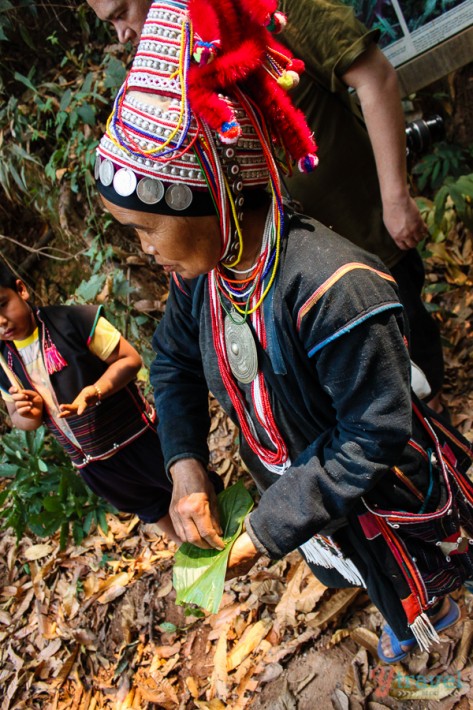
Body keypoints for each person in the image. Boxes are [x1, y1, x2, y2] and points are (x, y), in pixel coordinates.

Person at [93, 0, 473, 663]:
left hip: (379, 489)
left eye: (145, 228)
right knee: (366, 569)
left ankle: (433, 605)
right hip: (314, 501)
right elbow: (171, 362)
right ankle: (414, 611)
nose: (144, 249)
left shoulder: (332, 285)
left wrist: (267, 529)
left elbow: (373, 432)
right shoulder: (207, 281)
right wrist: (185, 468)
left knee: (418, 558)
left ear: (213, 191)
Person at [86, 0, 445, 412]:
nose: (121, 34)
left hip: (360, 235)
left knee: (414, 388)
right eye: (109, 23)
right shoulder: (165, 69)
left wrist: (395, 195)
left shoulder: (268, 8)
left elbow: (374, 77)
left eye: (121, 13)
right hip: (275, 269)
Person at [0, 263, 207, 540]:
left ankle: (236, 530)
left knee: (193, 488)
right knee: (150, 508)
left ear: (21, 290)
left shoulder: (72, 321)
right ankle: (192, 553)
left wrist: (96, 390)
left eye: (2, 305)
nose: (1, 321)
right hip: (93, 465)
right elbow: (19, 417)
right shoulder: (5, 365)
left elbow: (130, 360)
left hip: (137, 438)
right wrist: (29, 412)